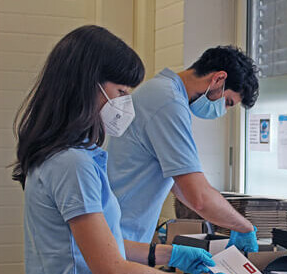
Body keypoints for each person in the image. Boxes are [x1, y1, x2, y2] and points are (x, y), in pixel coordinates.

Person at [12, 25, 250, 274]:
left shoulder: (75, 156)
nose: (126, 102)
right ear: (86, 85)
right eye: (121, 90)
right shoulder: (72, 164)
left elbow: (101, 246)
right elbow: (114, 273)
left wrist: (168, 254)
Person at [106, 46, 260, 252]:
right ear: (218, 79)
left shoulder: (162, 91)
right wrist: (244, 227)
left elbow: (181, 186)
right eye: (228, 102)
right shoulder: (167, 101)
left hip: (122, 235)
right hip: (117, 232)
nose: (223, 110)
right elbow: (199, 196)